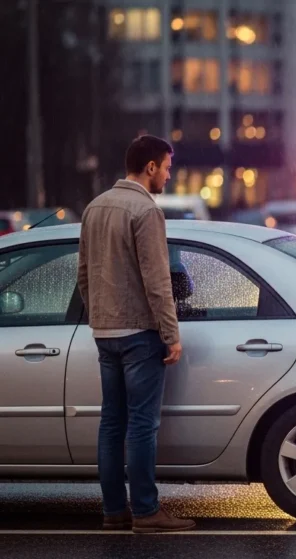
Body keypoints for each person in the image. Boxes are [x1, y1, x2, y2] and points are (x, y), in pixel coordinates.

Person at [77, 135, 195, 533]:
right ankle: (146, 511)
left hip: (105, 331)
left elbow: (83, 273)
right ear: (150, 168)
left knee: (111, 423)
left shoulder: (95, 207)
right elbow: (158, 280)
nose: (167, 175)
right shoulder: (145, 211)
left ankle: (114, 510)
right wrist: (171, 333)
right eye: (166, 167)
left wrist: (98, 316)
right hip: (140, 333)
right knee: (142, 425)